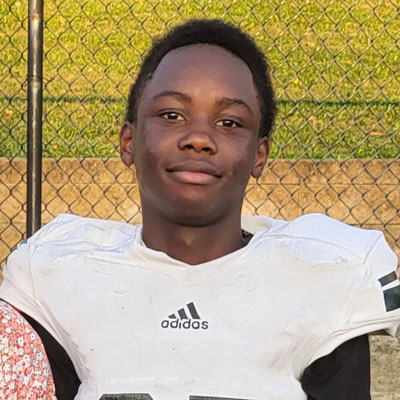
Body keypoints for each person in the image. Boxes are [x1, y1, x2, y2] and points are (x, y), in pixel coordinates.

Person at [1, 19, 400, 400]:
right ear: (129, 141)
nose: (199, 139)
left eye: (229, 123)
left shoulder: (329, 275)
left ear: (259, 155)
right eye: (172, 115)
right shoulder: (56, 274)